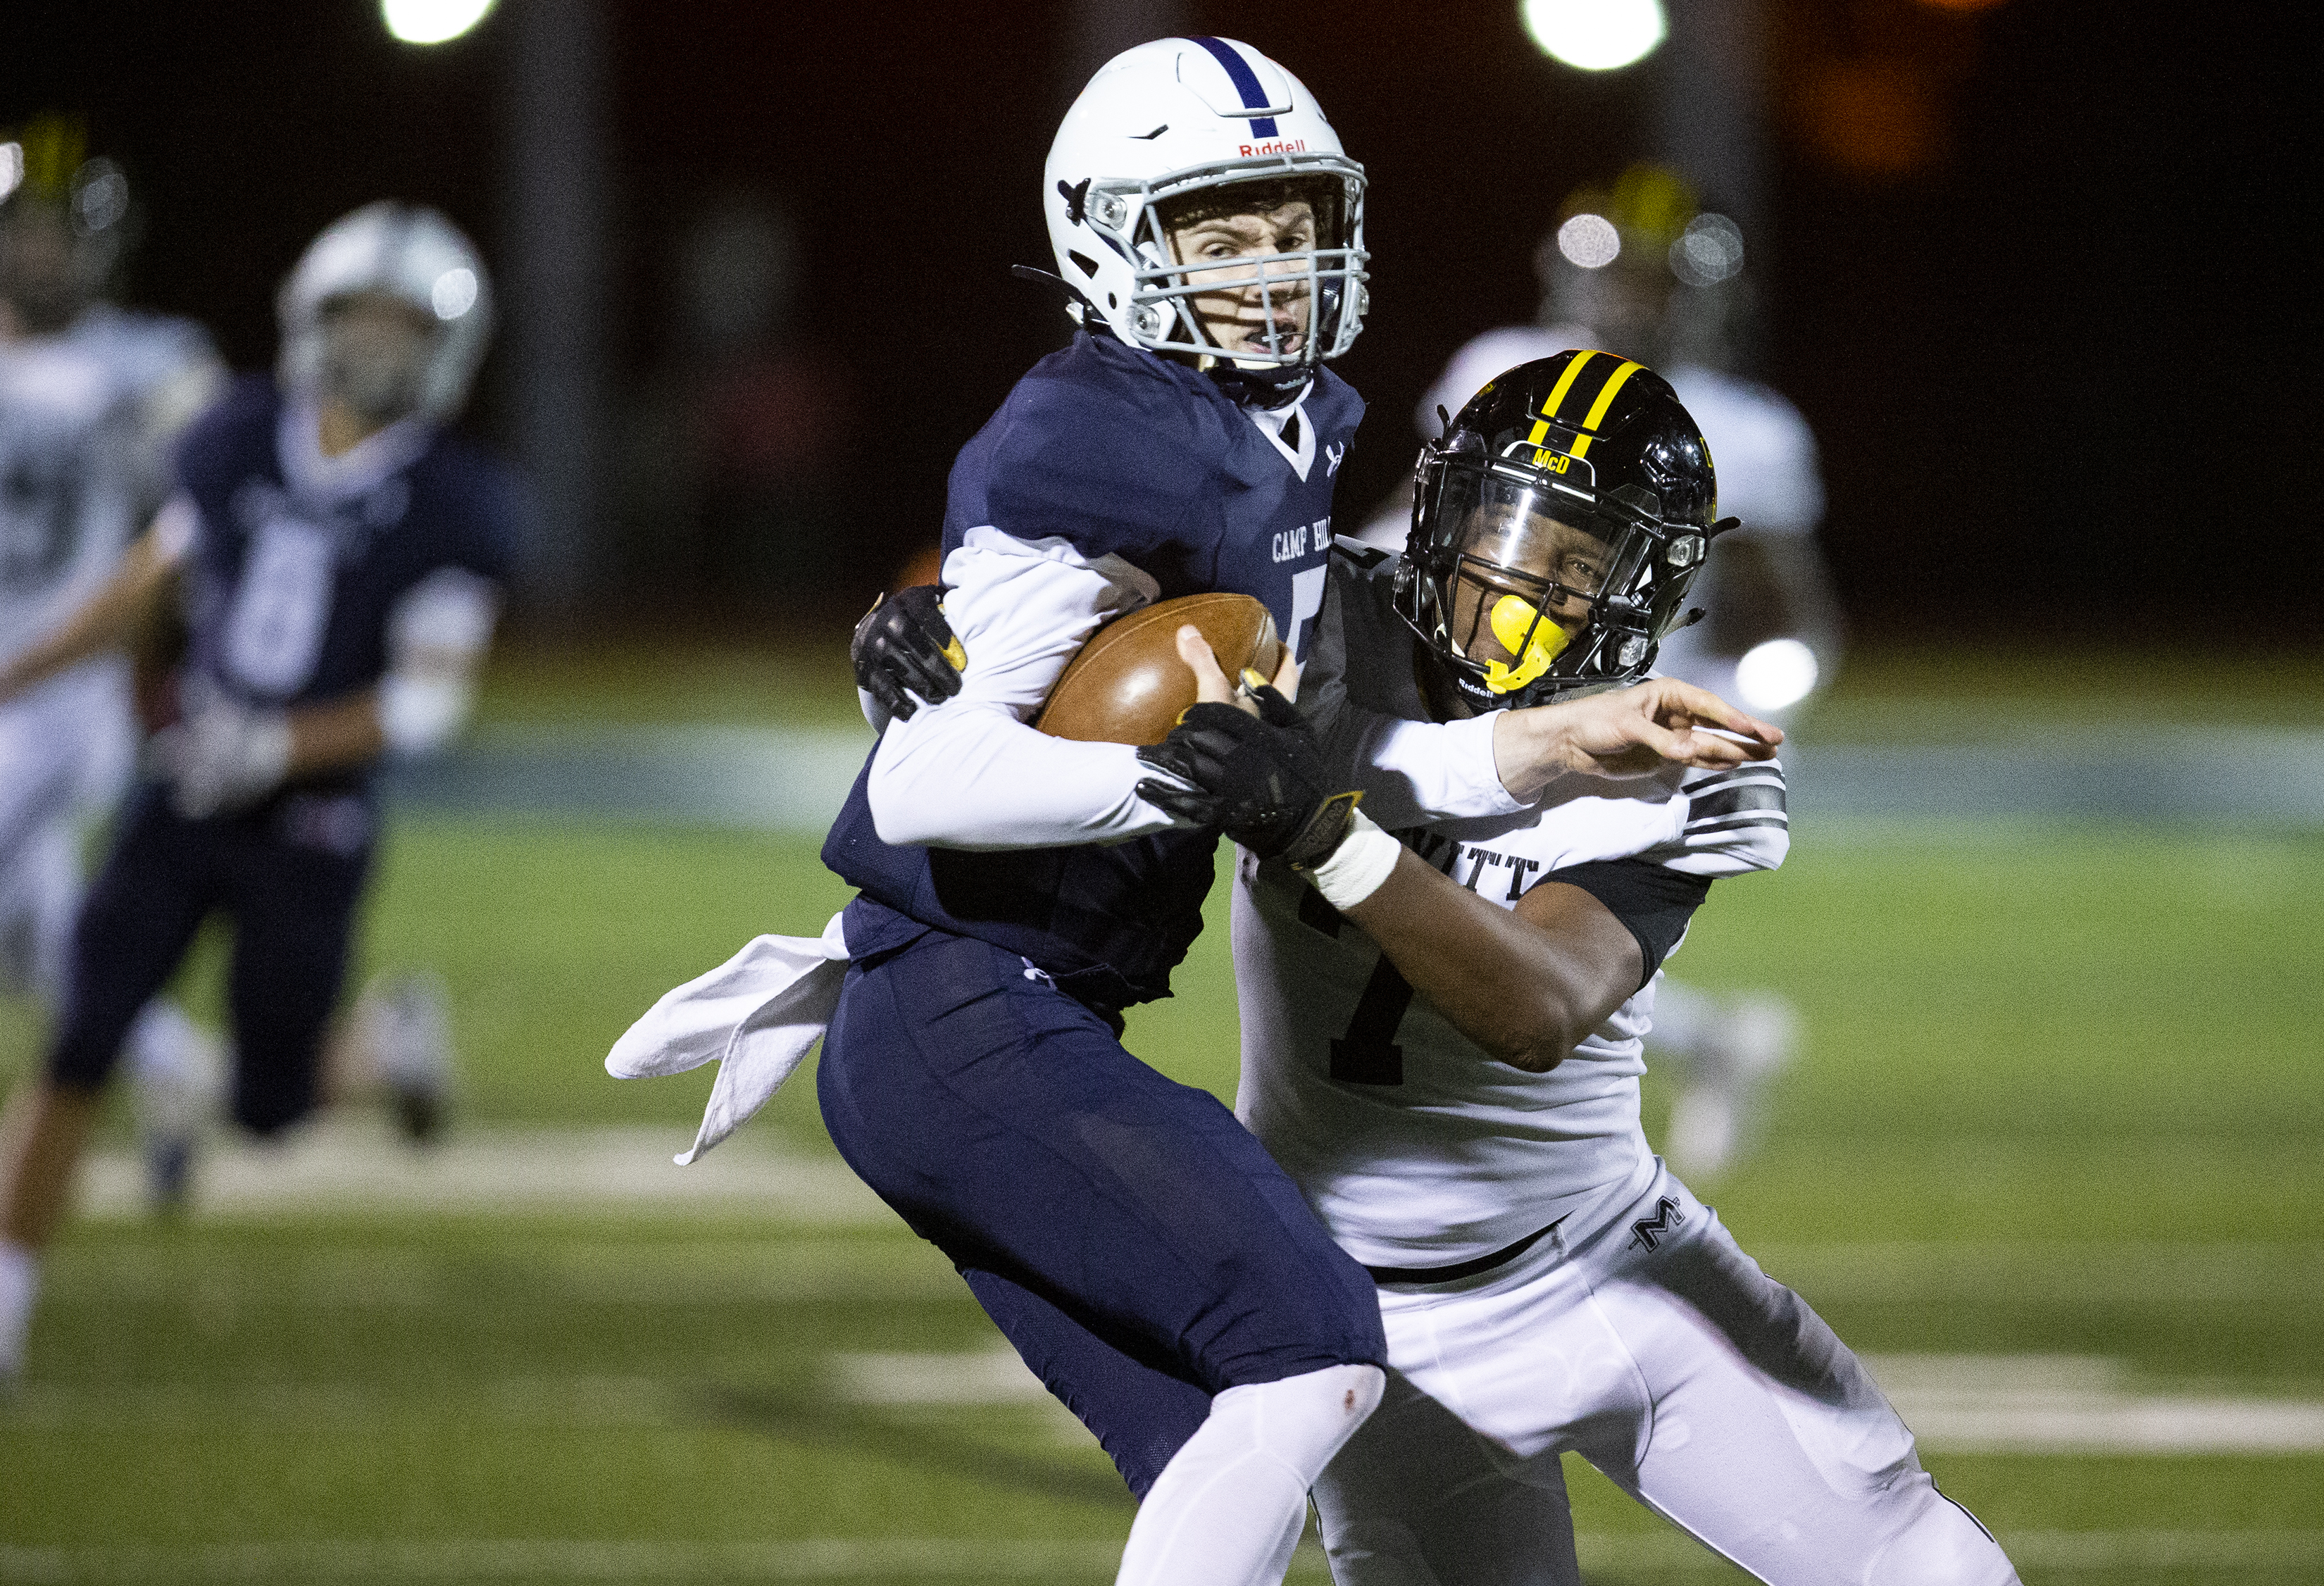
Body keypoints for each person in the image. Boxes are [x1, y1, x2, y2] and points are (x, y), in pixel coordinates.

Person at [633, 38, 1773, 1586]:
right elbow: (927, 777)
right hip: (964, 1005)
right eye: (1219, 234)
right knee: (1313, 1350)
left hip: (995, 1016)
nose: (1272, 265)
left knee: (1228, 1448)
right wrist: (1172, 777)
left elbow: (1318, 751)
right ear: (1110, 237)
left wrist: (1557, 745)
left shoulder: (1276, 425)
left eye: (1290, 221)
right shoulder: (1104, 430)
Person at [1237, 354, 2016, 1582]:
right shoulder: (1316, 619)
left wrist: (1320, 830)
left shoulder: (1678, 751)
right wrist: (939, 642)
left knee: (1924, 1572)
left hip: (1605, 1266)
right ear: (1442, 514)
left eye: (1578, 565)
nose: (1522, 590)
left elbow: (1536, 1006)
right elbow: (1102, 640)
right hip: (1361, 1319)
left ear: (1648, 585)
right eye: (1508, 532)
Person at [0, 201, 514, 1385]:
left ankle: (381, 1049)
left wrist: (275, 751)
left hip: (310, 821)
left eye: (404, 328)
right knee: (81, 1031)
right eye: (360, 322)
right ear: (312, 322)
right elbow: (148, 581)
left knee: (272, 1108)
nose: (379, 349)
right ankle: (11, 1308)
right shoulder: (233, 436)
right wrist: (24, 666)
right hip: (185, 791)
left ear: (445, 346)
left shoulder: (455, 501)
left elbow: (427, 704)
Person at [1358, 165, 1844, 1177]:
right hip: (1491, 684)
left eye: (1659, 284)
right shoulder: (1500, 367)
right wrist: (1348, 610)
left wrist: (1737, 722)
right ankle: (1711, 1044)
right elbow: (1420, 521)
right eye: (1623, 278)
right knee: (1442, 910)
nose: (1635, 303)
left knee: (1465, 912)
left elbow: (1785, 614)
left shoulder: (1745, 431)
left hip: (1631, 722)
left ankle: (1511, 1134)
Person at [0, 115, 229, 1178]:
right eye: (23, 231)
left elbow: (230, 489)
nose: (39, 253)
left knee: (47, 927)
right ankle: (171, 1058)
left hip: (61, 698)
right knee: (49, 937)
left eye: (58, 233)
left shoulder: (147, 364)